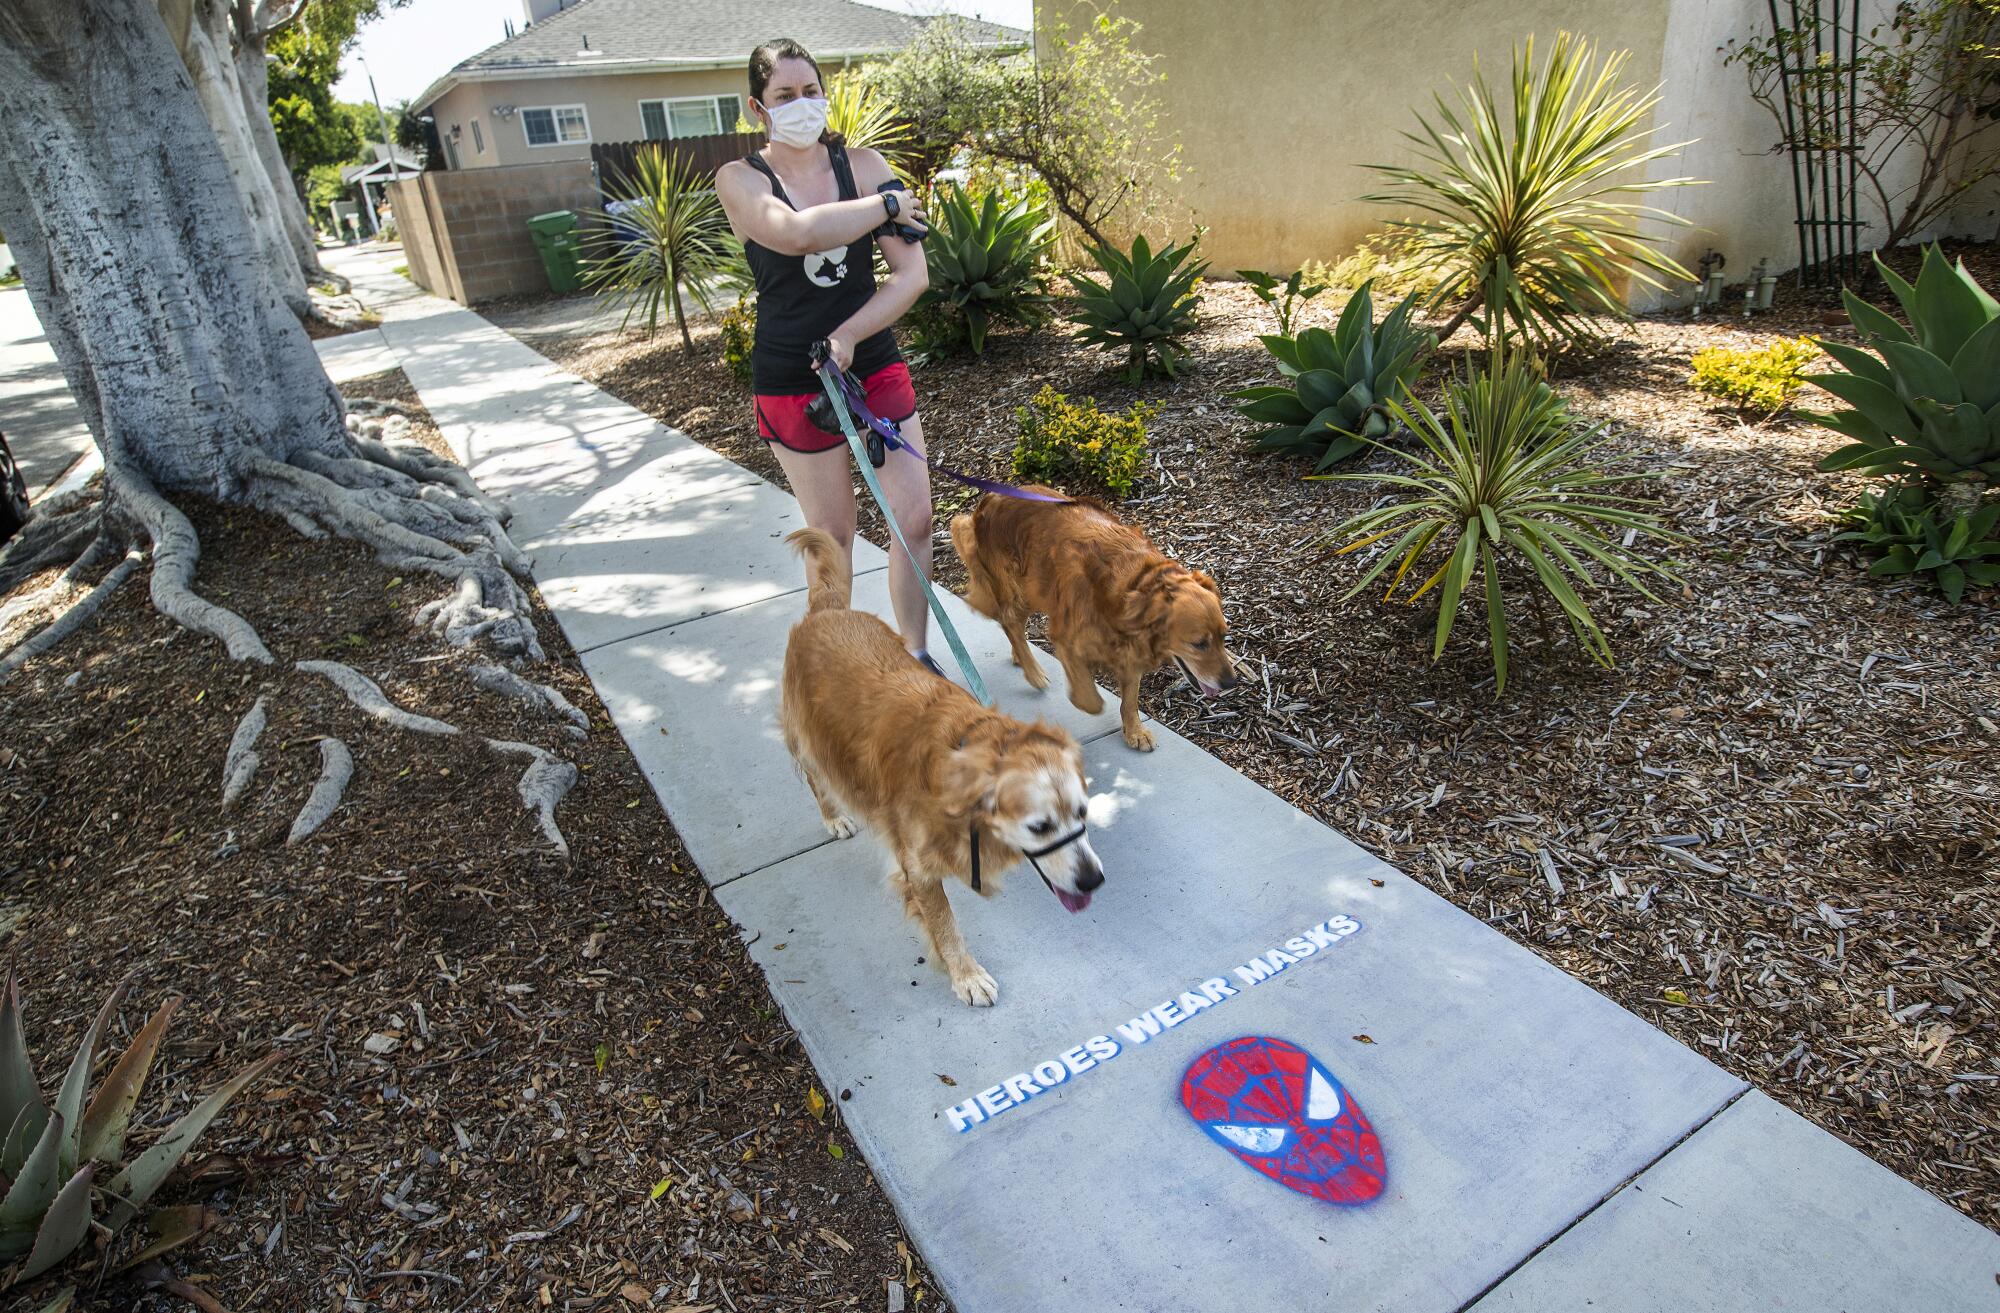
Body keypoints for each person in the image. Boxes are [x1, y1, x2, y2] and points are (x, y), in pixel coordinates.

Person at [714, 38, 943, 675]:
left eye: (811, 90)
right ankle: (833, 676)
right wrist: (890, 205)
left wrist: (846, 337)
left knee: (916, 518)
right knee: (833, 539)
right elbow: (797, 233)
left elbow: (910, 276)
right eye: (785, 95)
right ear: (758, 107)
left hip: (871, 362)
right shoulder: (740, 179)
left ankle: (915, 656)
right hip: (792, 378)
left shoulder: (866, 166)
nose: (802, 104)